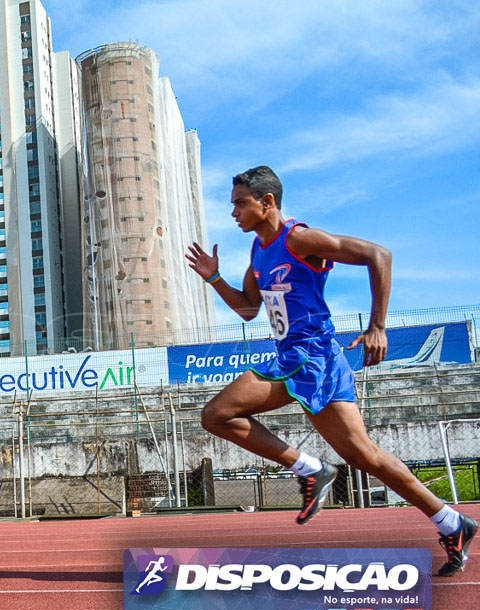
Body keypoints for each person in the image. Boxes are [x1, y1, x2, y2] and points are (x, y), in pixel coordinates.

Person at [186, 165, 475, 576]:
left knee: (216, 414)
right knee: (363, 455)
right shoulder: (257, 252)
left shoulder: (300, 239)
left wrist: (377, 326)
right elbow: (250, 310)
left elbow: (379, 255)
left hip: (310, 354)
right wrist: (214, 277)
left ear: (267, 202)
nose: (233, 212)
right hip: (307, 357)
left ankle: (311, 469)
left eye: (240, 203)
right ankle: (451, 521)